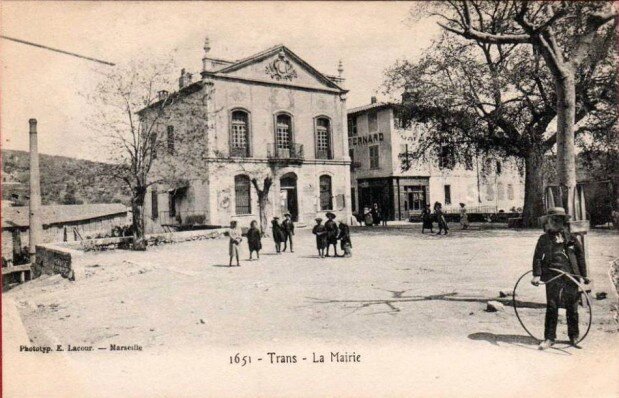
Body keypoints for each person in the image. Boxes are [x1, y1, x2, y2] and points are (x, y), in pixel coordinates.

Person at [531, 207, 590, 350]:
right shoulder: (544, 239)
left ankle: (574, 337)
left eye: (560, 220)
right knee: (552, 307)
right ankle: (549, 338)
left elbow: (580, 256)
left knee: (572, 307)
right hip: (552, 276)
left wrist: (584, 275)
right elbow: (538, 257)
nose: (557, 222)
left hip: (571, 276)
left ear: (564, 222)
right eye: (554, 219)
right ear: (548, 222)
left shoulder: (571, 238)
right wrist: (537, 275)